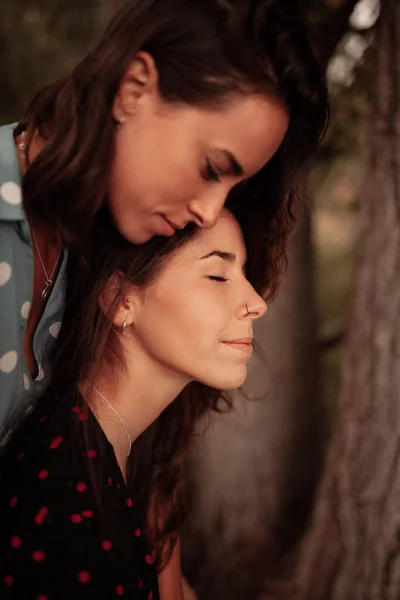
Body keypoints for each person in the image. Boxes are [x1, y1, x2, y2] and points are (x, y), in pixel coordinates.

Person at [0, 0, 328, 440]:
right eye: (211, 169)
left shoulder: (106, 263)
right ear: (134, 89)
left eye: (233, 187)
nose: (210, 212)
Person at [0, 207, 267, 599]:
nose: (256, 302)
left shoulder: (126, 456)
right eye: (217, 275)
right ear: (120, 299)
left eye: (243, 275)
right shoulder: (67, 504)